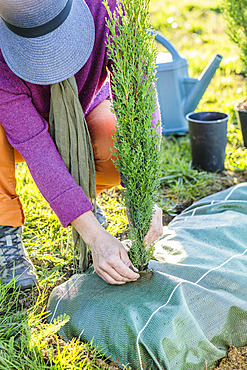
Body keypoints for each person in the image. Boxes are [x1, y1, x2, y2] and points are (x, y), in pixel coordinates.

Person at [0, 0, 163, 290]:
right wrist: (94, 236)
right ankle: (4, 228)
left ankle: (85, 201)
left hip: (84, 104)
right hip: (10, 129)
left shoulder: (108, 12)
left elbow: (140, 100)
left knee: (111, 138)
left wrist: (146, 192)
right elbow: (38, 151)